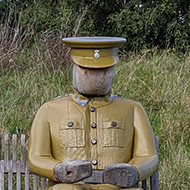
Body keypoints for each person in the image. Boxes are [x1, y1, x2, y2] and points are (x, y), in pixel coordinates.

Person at [28, 37, 158, 190]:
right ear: (75, 67)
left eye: (104, 71)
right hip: (70, 186)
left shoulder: (132, 109)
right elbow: (36, 157)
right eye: (88, 71)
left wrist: (134, 171)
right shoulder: (50, 109)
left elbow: (148, 156)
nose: (98, 77)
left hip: (116, 187)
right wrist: (58, 170)